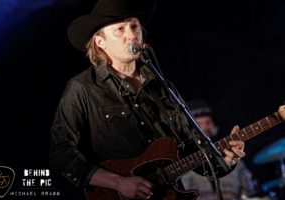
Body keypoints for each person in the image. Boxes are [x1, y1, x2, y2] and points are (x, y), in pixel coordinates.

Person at [49, 0, 246, 199]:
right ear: (100, 42)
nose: (131, 34)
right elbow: (61, 154)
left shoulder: (163, 87)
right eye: (120, 29)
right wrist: (118, 183)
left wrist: (226, 159)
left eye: (134, 26)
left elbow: (192, 151)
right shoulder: (82, 88)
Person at [181, 99, 256, 200]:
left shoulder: (234, 158)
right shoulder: (186, 164)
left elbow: (250, 191)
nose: (205, 127)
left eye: (208, 122)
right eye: (200, 124)